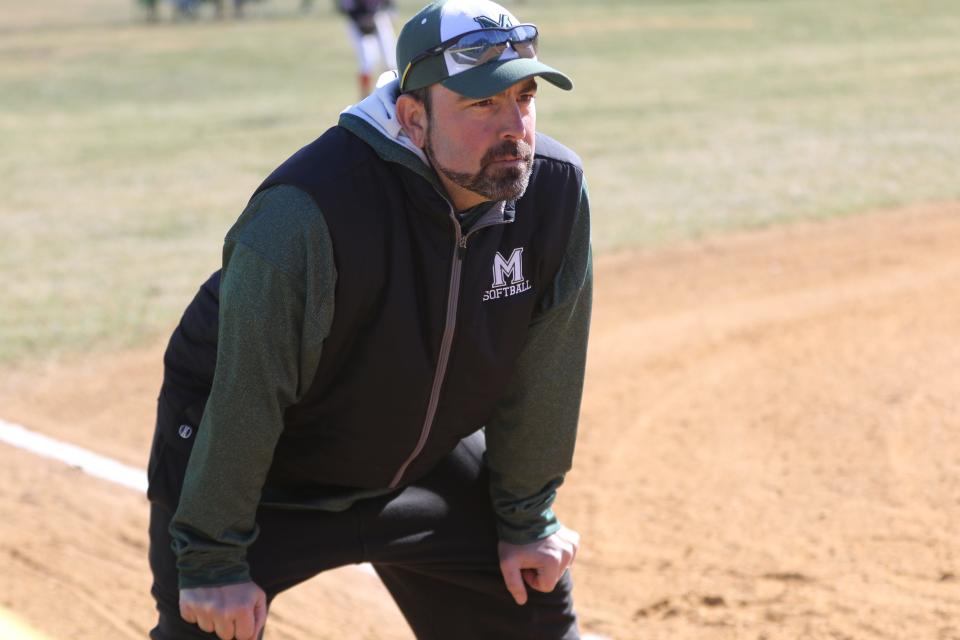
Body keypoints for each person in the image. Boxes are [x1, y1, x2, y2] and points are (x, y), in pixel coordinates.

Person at [146, 0, 593, 638]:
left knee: (535, 615)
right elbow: (246, 392)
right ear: (412, 117)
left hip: (419, 462)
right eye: (481, 105)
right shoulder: (309, 211)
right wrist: (213, 556)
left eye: (524, 97)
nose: (515, 127)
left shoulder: (552, 192)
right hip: (265, 470)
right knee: (207, 624)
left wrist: (527, 521)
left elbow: (545, 374)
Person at [335, 0, 398, 97]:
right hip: (357, 21)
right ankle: (365, 98)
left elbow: (387, 3)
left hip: (379, 16)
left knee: (390, 61)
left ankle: (392, 95)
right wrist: (359, 17)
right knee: (367, 63)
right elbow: (344, 6)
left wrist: (389, 10)